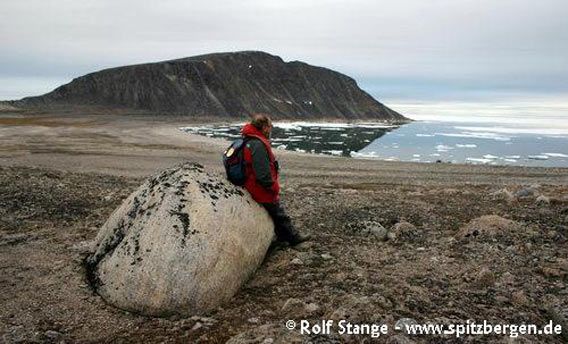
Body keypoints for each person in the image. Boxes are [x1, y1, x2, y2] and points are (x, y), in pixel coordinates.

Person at [240, 113, 310, 245]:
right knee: (279, 213)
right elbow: (262, 174)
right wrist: (273, 187)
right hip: (258, 187)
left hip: (250, 183)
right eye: (270, 126)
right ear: (264, 127)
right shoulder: (257, 144)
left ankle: (281, 237)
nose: (271, 129)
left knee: (276, 213)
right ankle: (293, 237)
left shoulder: (249, 140)